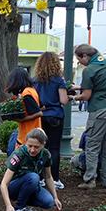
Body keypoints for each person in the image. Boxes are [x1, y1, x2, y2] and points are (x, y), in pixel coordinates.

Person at [70, 44, 106, 189]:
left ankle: (90, 180)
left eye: (79, 59)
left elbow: (87, 96)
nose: (79, 63)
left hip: (101, 110)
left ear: (85, 56)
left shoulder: (89, 70)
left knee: (92, 145)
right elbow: (101, 85)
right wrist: (80, 87)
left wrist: (73, 98)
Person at [0, 128, 62, 211]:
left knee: (49, 202)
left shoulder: (46, 155)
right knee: (33, 177)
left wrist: (55, 197)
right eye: (30, 146)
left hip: (32, 185)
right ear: (25, 143)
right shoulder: (19, 154)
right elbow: (3, 184)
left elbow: (48, 177)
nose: (32, 150)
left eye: (36, 147)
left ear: (43, 144)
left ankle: (25, 206)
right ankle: (18, 209)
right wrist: (8, 205)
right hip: (13, 188)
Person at [33, 52, 69, 190]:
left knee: (40, 147)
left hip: (40, 116)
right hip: (55, 116)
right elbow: (63, 100)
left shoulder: (35, 80)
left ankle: (41, 178)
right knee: (54, 148)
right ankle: (54, 179)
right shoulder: (59, 80)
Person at [6, 67, 42, 147]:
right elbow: (42, 107)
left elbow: (39, 113)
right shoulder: (32, 90)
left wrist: (21, 119)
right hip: (32, 136)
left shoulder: (26, 94)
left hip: (27, 139)